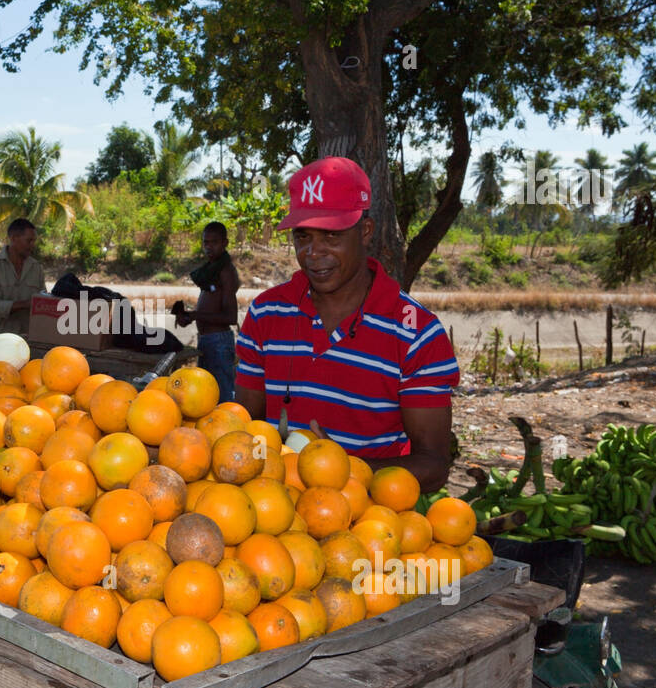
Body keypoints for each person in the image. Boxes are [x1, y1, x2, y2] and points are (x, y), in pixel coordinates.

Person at [235, 158, 460, 491]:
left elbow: (433, 466)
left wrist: (339, 468)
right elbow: (243, 430)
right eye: (303, 236)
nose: (314, 253)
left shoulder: (416, 333)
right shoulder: (266, 314)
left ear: (365, 232)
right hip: (269, 516)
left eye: (331, 235)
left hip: (370, 527)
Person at [172, 221, 239, 401]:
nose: (209, 247)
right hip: (207, 341)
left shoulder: (226, 272)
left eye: (214, 242)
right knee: (207, 397)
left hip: (219, 343)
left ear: (225, 243)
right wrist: (188, 316)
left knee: (223, 397)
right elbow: (212, 305)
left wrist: (194, 315)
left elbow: (231, 316)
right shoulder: (212, 270)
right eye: (206, 243)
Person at [0, 217, 45, 345]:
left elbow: (43, 300)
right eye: (29, 241)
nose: (32, 245)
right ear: (13, 238)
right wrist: (25, 304)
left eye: (34, 241)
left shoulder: (36, 268)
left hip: (25, 342)